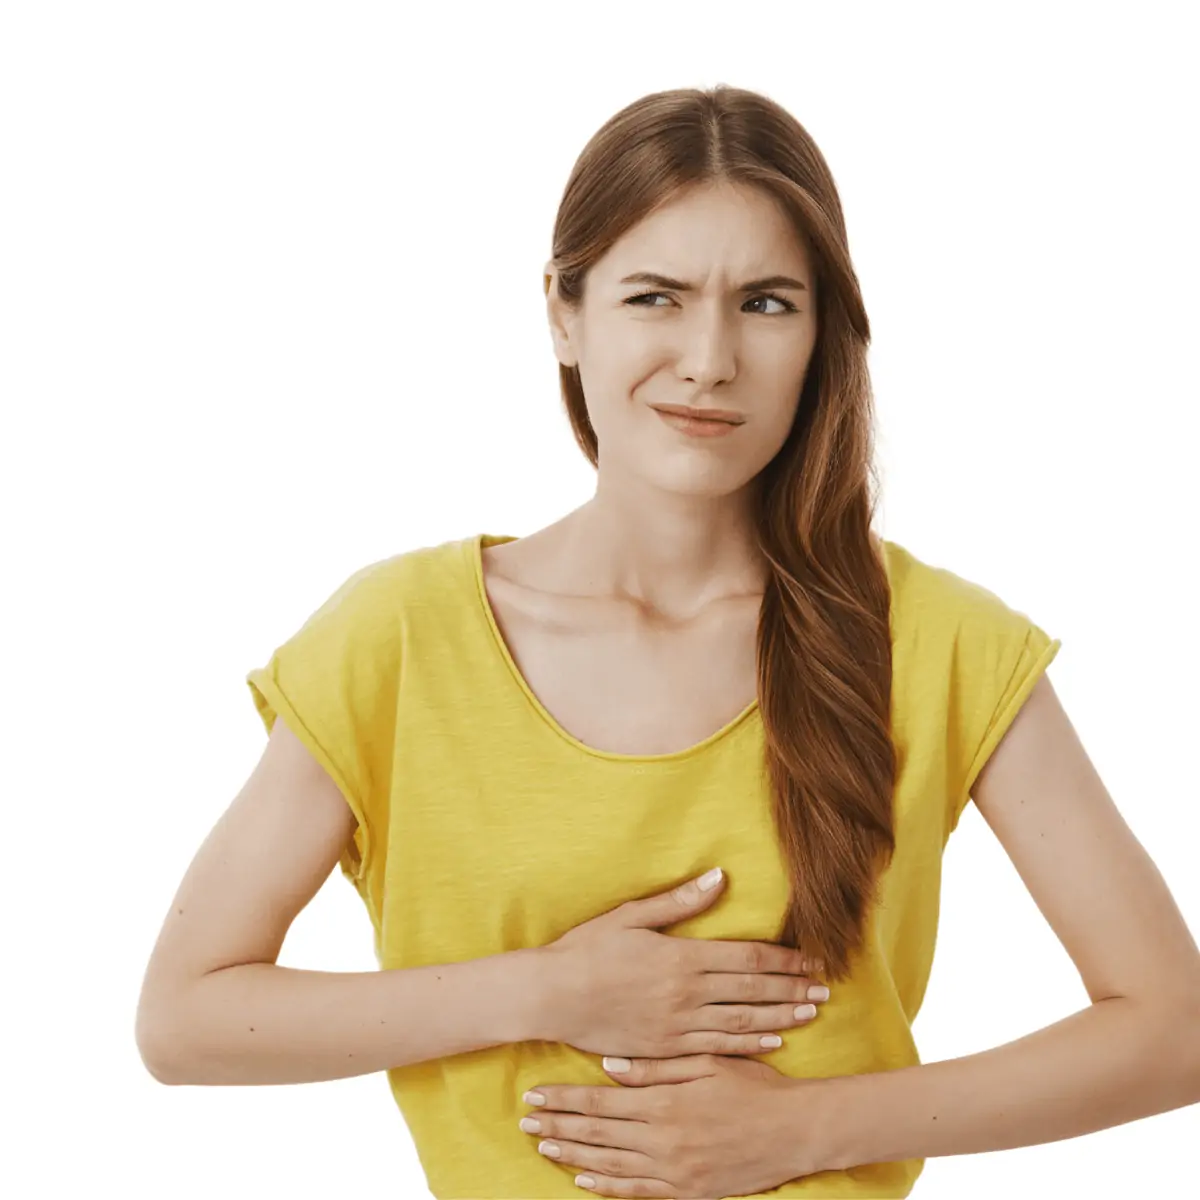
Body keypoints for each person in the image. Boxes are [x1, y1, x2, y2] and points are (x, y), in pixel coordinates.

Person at [134, 84, 1200, 1199]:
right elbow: (188, 1018)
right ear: (564, 312)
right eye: (656, 295)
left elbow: (1173, 1027)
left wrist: (805, 1130)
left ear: (820, 331)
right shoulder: (400, 640)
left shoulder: (940, 643)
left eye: (768, 303)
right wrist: (547, 991)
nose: (708, 359)